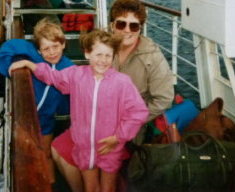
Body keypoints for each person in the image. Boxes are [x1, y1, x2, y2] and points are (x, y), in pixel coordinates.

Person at [9, 29, 149, 192]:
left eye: (108, 55)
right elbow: (54, 77)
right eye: (98, 54)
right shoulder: (76, 75)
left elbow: (138, 112)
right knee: (91, 188)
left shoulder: (122, 82)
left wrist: (119, 137)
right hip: (84, 148)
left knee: (108, 189)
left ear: (113, 56)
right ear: (87, 53)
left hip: (109, 147)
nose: (103, 60)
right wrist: (30, 65)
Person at [0, 19, 74, 187]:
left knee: (45, 153)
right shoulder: (35, 59)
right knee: (27, 156)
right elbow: (10, 46)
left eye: (56, 46)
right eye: (46, 48)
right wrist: (11, 66)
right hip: (23, 119)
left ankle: (50, 184)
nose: (52, 52)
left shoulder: (69, 68)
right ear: (38, 50)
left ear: (64, 44)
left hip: (46, 120)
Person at [109, 0, 174, 144]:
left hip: (133, 125)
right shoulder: (103, 48)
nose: (127, 30)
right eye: (121, 24)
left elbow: (164, 99)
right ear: (112, 25)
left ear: (140, 28)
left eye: (133, 26)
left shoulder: (153, 57)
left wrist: (133, 120)